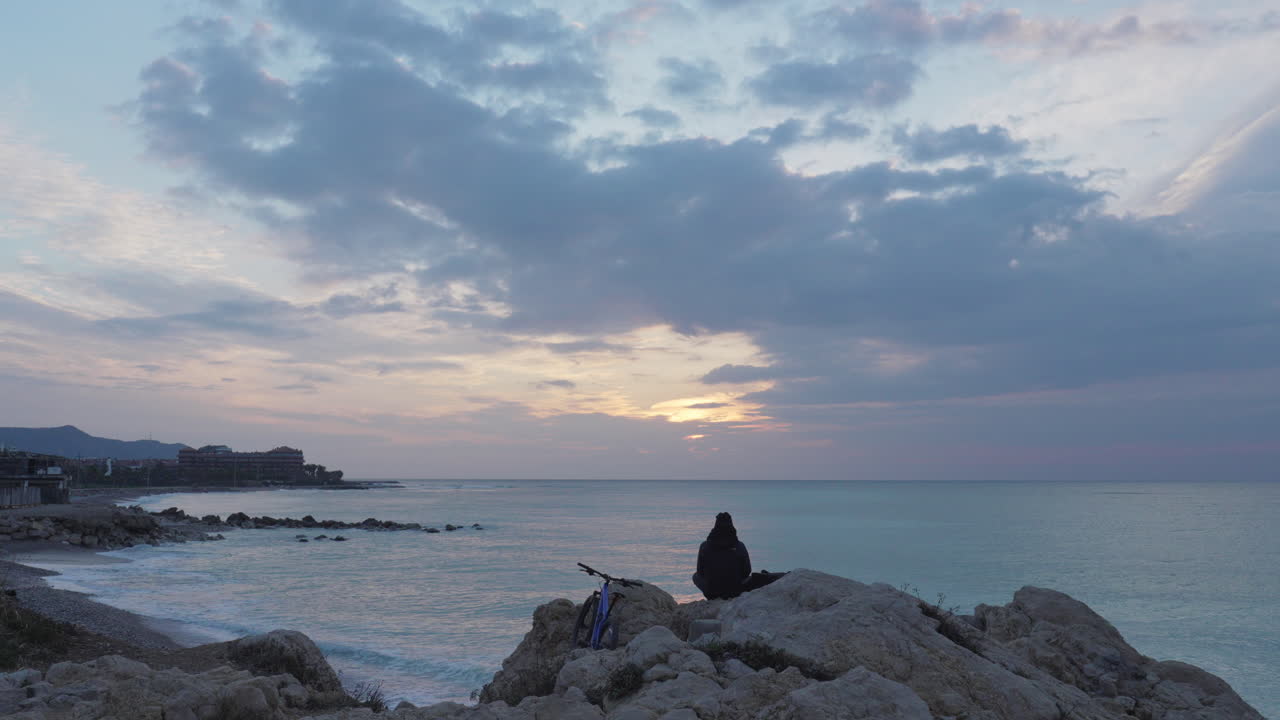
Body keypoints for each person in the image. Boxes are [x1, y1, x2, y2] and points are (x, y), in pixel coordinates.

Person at [691, 512, 785, 600]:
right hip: (735, 591)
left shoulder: (704, 546)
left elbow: (700, 572)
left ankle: (714, 596)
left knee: (695, 576)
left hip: (711, 592)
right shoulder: (739, 546)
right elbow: (747, 571)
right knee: (756, 578)